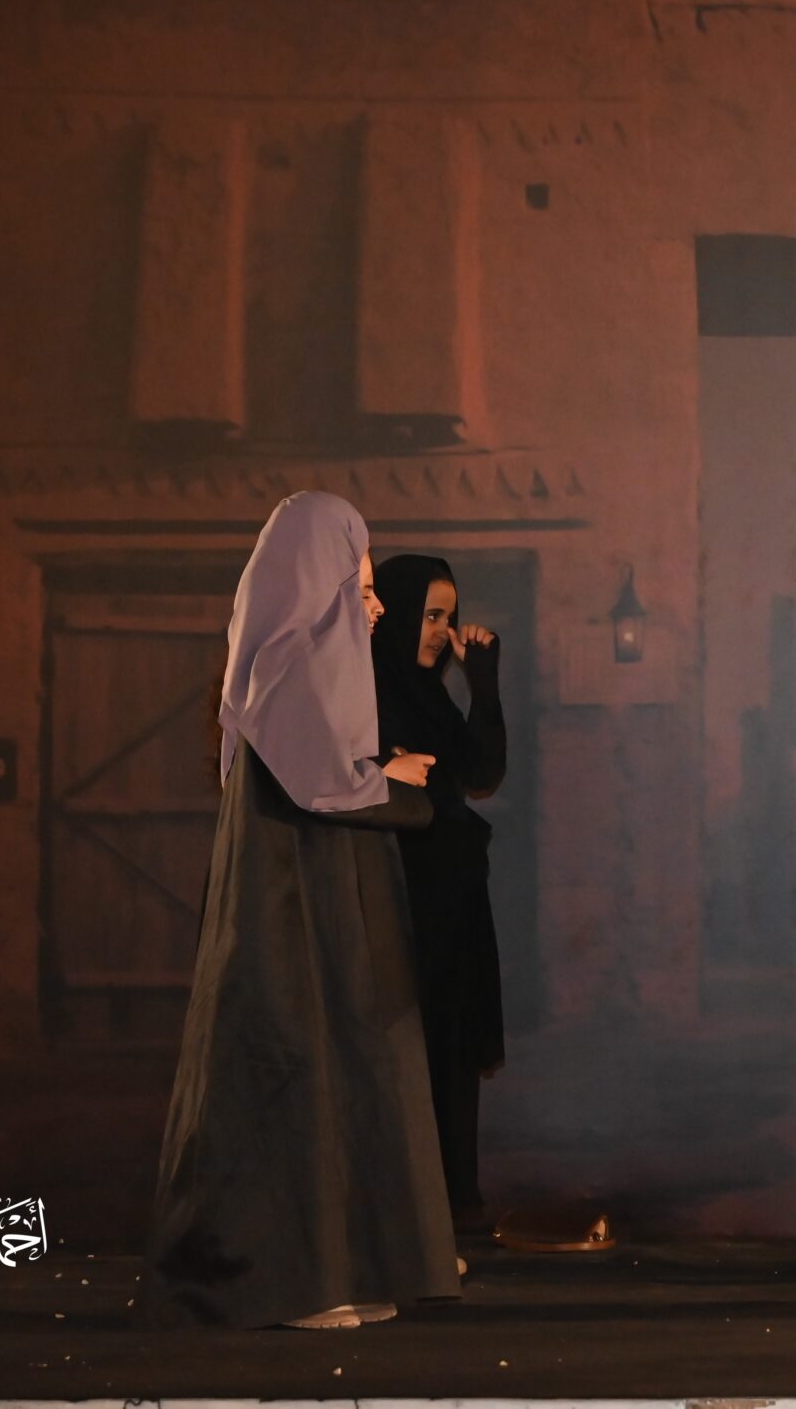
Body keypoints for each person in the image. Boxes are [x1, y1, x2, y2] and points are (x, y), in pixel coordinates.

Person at [141, 492, 458, 1332]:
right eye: (361, 587)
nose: (375, 606)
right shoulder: (284, 670)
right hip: (283, 918)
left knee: (335, 1069)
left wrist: (380, 776)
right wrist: (394, 783)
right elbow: (323, 787)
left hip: (317, 912)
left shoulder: (299, 674)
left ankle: (331, 1270)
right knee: (289, 1070)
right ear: (317, 585)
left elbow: (327, 776)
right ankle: (277, 1283)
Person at [369, 555, 508, 1232]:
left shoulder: (430, 695)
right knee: (408, 1050)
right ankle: (410, 1218)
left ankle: (455, 1205)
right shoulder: (364, 692)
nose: (440, 631)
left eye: (448, 617)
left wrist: (483, 681)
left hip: (452, 901)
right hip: (402, 901)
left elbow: (482, 770)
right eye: (429, 615)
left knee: (452, 1046)